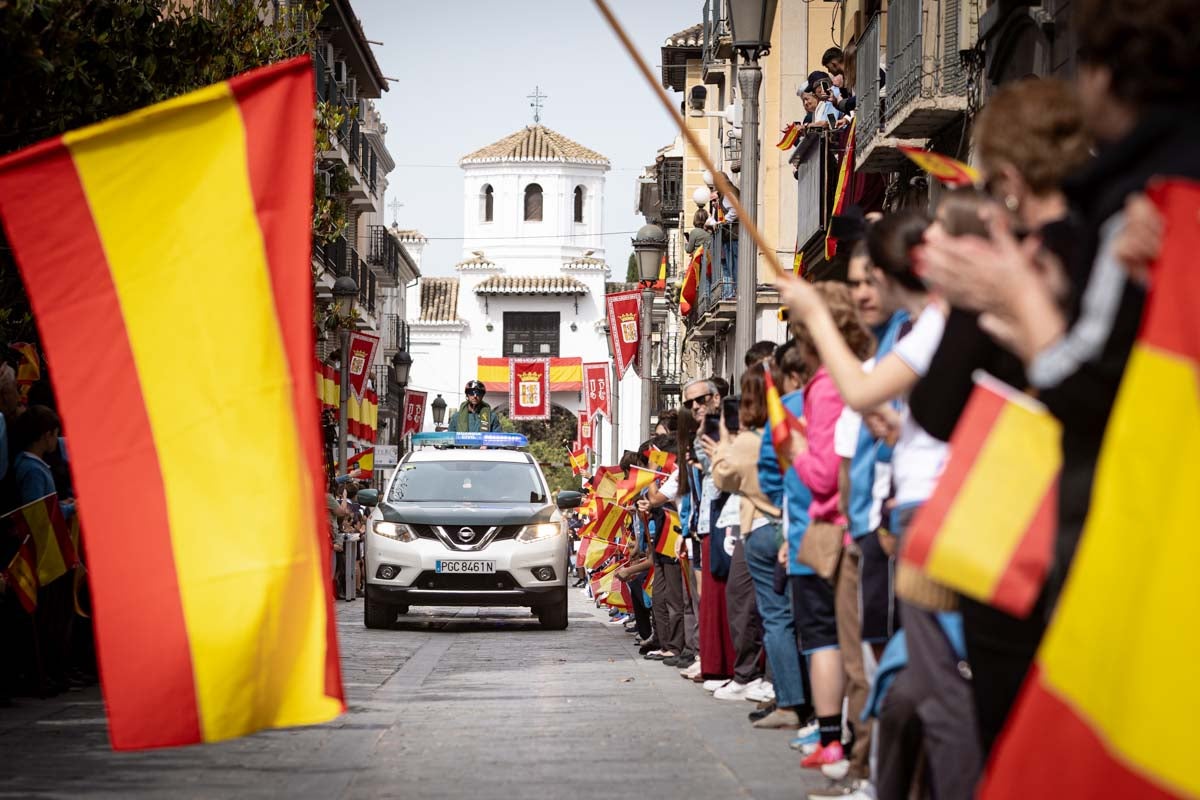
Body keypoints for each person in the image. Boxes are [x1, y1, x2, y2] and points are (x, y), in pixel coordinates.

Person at [783, 283, 873, 774]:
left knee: (832, 640)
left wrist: (795, 450)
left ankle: (841, 744)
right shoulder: (864, 371)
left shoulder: (825, 386)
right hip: (856, 523)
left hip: (836, 529)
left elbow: (822, 475)